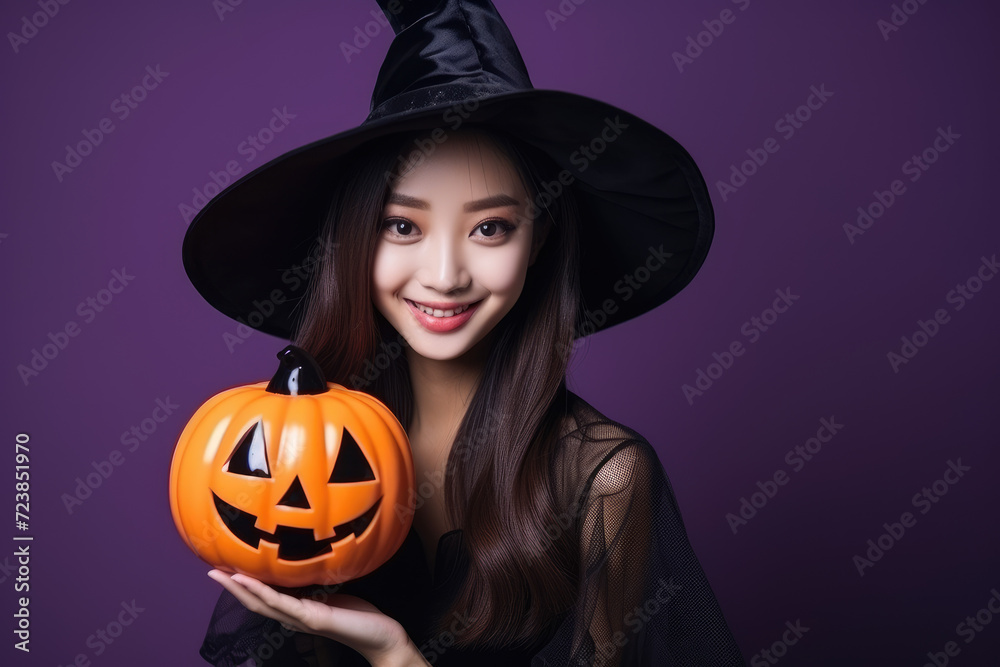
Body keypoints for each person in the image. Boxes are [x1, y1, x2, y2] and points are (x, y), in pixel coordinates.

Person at [182, 2, 747, 665]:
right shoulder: (292, 449)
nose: (445, 274)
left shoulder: (604, 480)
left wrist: (393, 654)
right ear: (357, 241)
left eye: (490, 227)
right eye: (403, 226)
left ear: (537, 241)